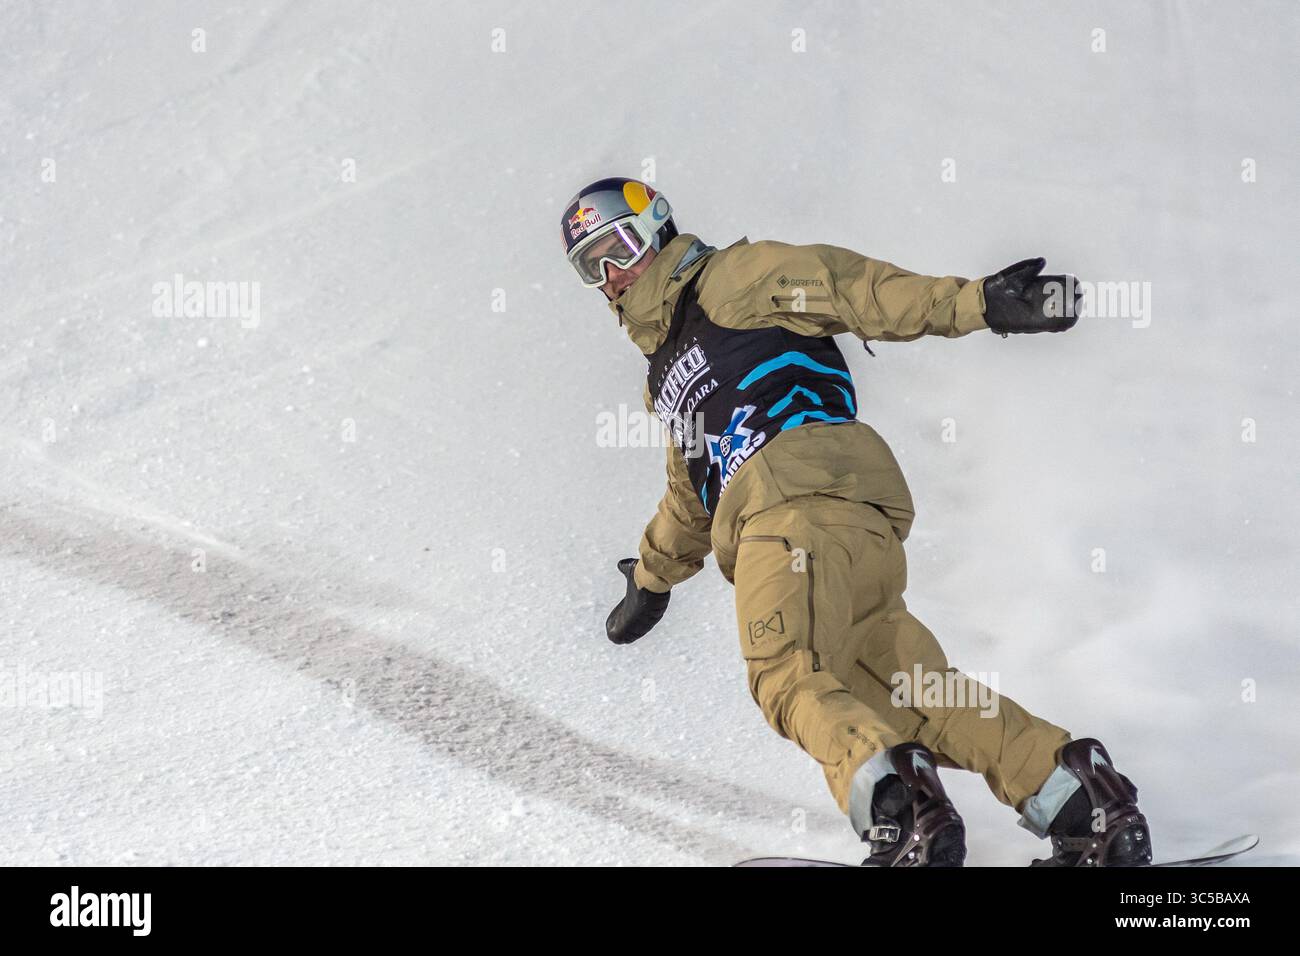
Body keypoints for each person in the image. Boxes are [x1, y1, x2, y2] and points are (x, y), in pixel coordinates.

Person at [563, 176, 1152, 867]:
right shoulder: (665, 371)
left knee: (785, 675)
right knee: (918, 695)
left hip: (786, 515)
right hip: (850, 526)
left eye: (619, 247)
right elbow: (694, 493)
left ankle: (902, 817)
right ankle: (1082, 802)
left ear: (658, 228)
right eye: (591, 265)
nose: (612, 275)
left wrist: (978, 303)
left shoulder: (733, 279)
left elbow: (851, 288)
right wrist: (652, 577)